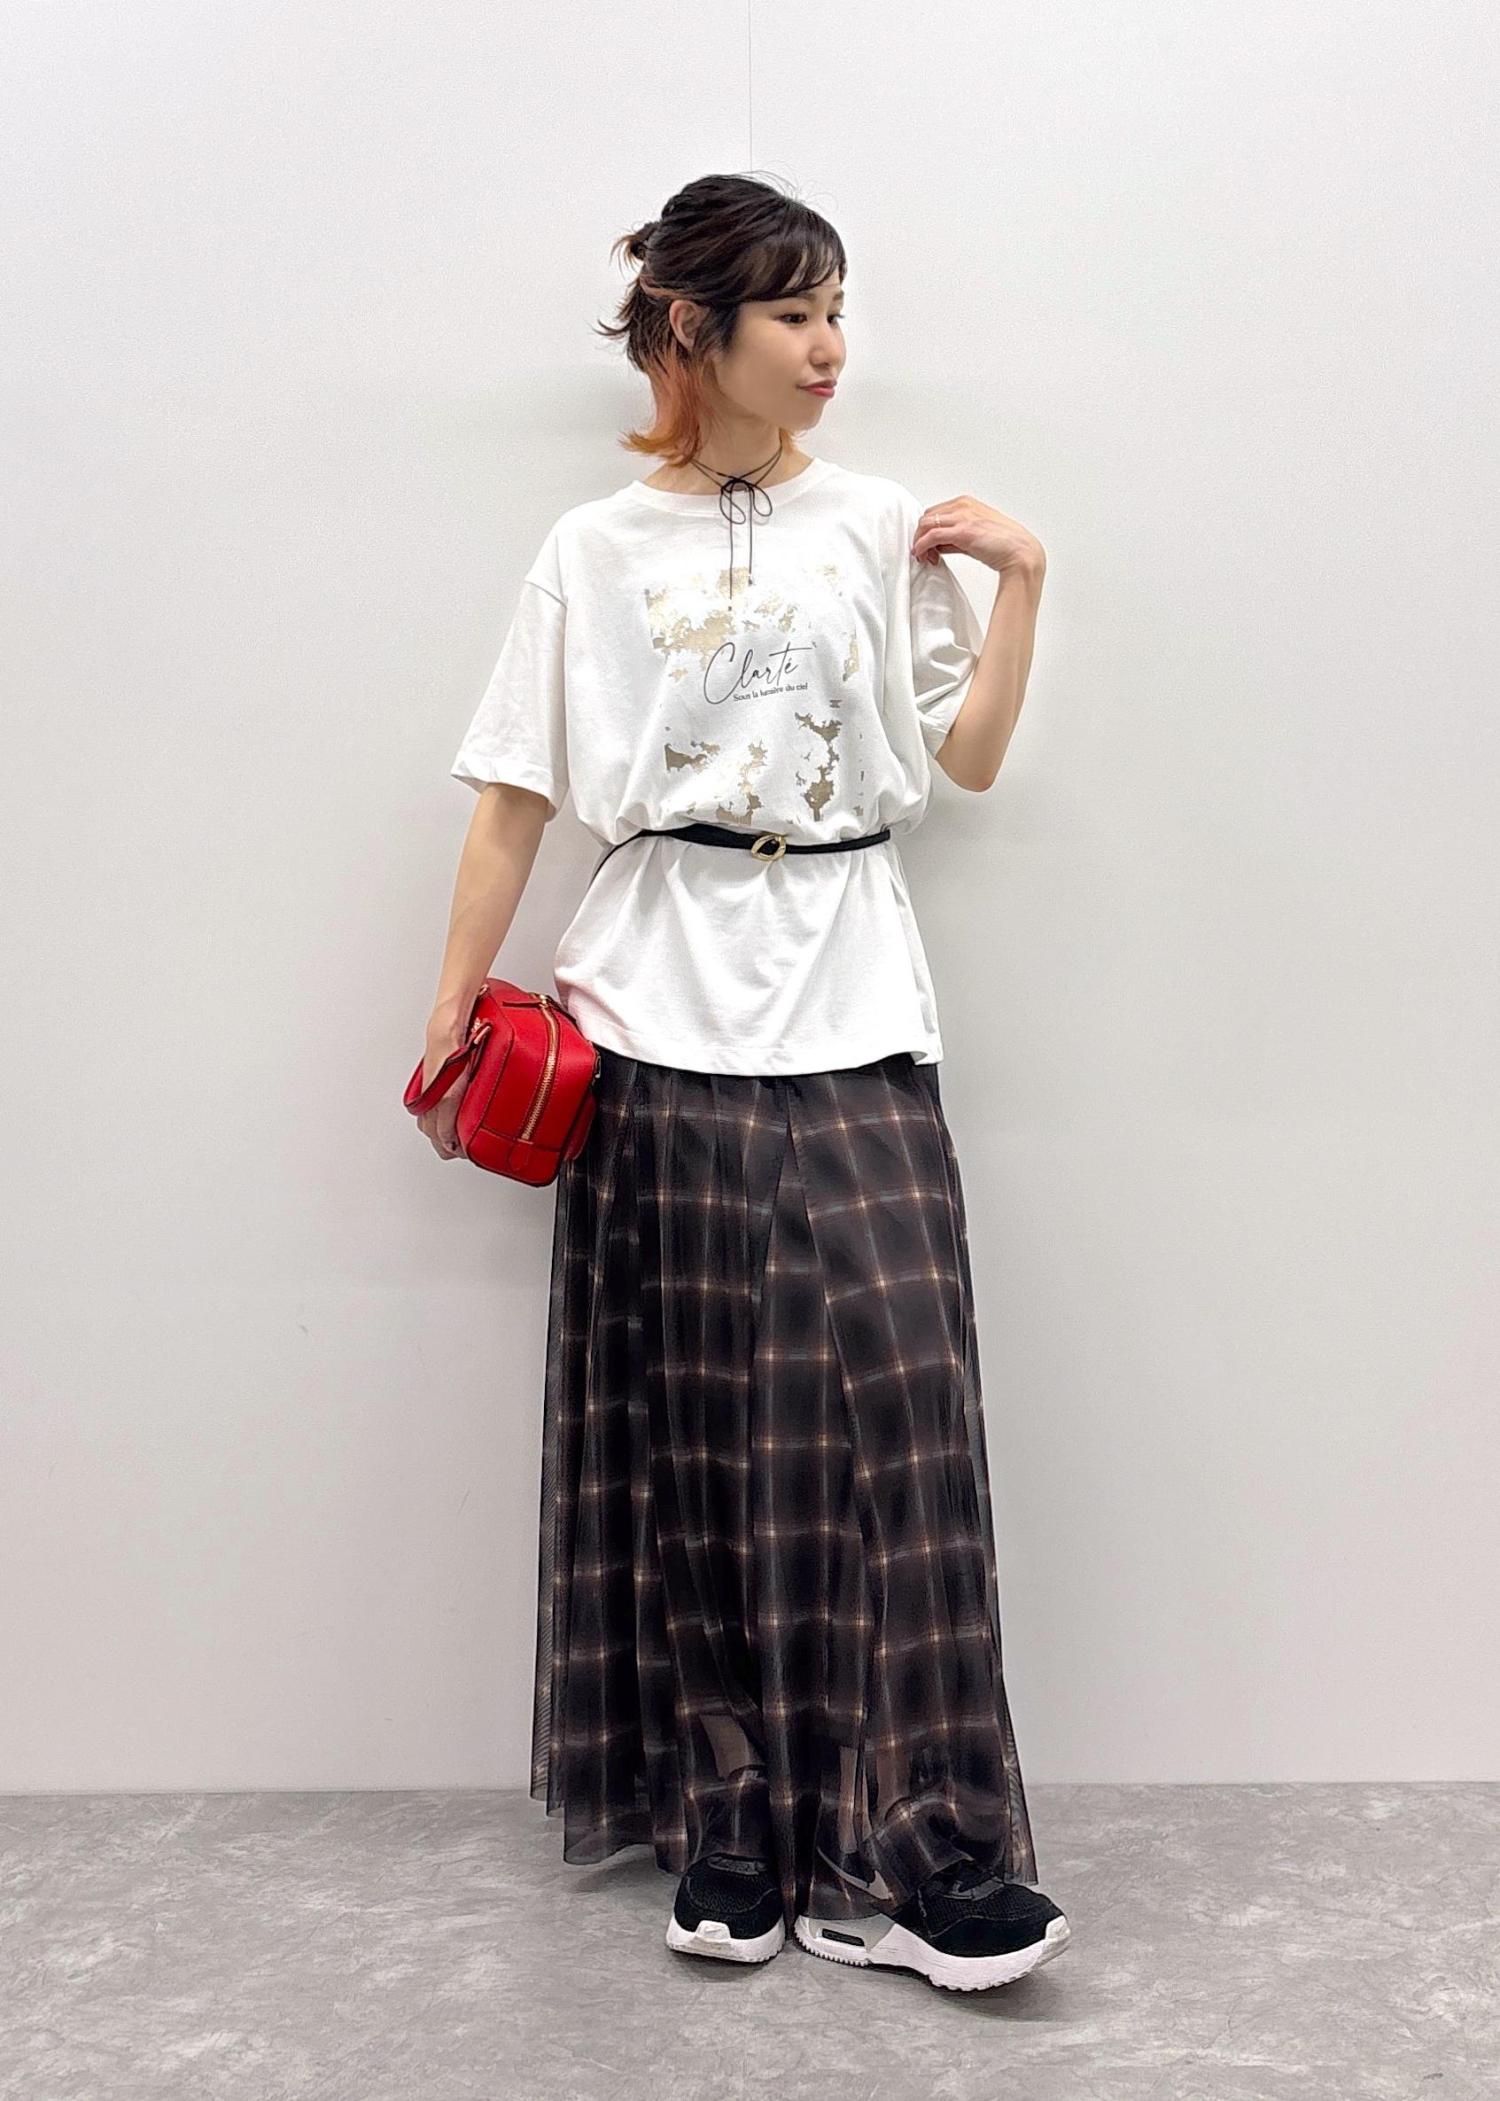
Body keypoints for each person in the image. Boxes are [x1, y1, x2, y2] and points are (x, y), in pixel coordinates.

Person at [414, 172, 1069, 1994]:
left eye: (839, 306)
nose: (832, 344)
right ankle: (730, 1825)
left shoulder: (878, 524)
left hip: (853, 985)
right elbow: (514, 794)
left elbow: (967, 759)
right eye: (795, 312)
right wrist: (451, 1008)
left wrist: (1023, 584)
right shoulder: (592, 548)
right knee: (699, 1434)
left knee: (903, 1424)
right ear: (694, 332)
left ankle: (928, 1850)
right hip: (655, 997)